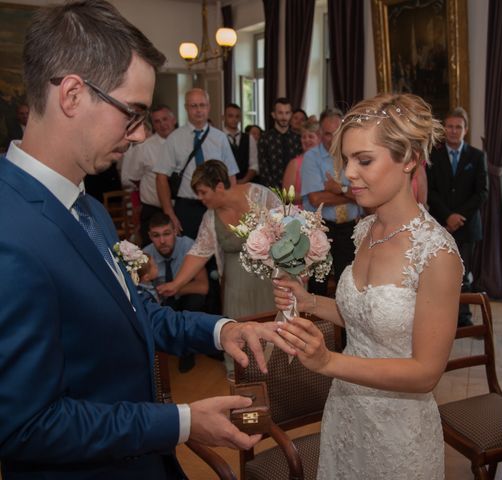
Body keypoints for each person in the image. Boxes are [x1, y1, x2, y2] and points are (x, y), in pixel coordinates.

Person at [0, 2, 294, 479]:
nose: (139, 135)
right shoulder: (8, 231)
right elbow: (28, 424)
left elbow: (136, 313)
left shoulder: (87, 206)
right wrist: (181, 422)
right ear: (72, 95)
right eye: (131, 113)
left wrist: (222, 330)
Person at [273, 93, 463, 479]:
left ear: (409, 158)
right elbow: (361, 314)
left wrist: (329, 362)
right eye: (346, 160)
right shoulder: (365, 230)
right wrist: (308, 301)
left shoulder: (436, 253)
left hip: (399, 429)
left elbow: (426, 372)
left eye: (364, 161)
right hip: (346, 411)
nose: (348, 176)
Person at [157, 160, 280, 320]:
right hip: (236, 289)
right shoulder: (210, 217)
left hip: (271, 282)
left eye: (203, 192)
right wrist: (176, 284)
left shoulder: (261, 196)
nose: (200, 198)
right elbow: (198, 253)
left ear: (220, 186)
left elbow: (287, 230)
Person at [427, 107, 488, 327]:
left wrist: (459, 215)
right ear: (445, 129)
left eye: (458, 127)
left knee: (463, 274)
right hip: (440, 223)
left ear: (466, 130)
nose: (453, 131)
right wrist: (447, 215)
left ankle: (463, 318)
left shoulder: (477, 156)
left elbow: (482, 192)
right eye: (450, 126)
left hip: (467, 225)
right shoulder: (433, 155)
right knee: (438, 273)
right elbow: (430, 191)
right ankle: (440, 317)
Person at [154, 88, 238, 239]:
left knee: (216, 255)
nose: (198, 110)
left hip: (216, 205)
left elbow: (231, 176)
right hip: (187, 208)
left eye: (202, 105)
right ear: (186, 108)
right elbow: (161, 178)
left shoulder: (220, 138)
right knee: (188, 252)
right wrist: (169, 213)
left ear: (209, 107)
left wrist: (231, 208)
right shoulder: (174, 138)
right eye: (193, 106)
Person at [301, 108, 362, 296]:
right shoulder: (312, 157)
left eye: (336, 133)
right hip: (322, 229)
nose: (332, 138)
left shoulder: (354, 155)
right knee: (318, 286)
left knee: (348, 287)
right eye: (327, 134)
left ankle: (346, 327)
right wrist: (350, 193)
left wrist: (338, 188)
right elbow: (316, 199)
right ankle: (317, 326)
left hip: (350, 229)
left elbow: (364, 194)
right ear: (320, 134)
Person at [144, 212, 209, 372]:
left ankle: (188, 351)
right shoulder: (145, 255)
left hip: (186, 296)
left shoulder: (188, 246)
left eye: (167, 233)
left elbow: (203, 287)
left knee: (196, 300)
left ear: (175, 231)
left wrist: (175, 287)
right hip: (162, 301)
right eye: (156, 236)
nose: (162, 241)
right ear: (149, 236)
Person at [121, 104, 177, 245]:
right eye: (157, 121)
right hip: (153, 210)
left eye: (165, 119)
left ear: (173, 120)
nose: (162, 124)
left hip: (180, 208)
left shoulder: (185, 143)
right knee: (151, 254)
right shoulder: (144, 148)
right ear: (153, 124)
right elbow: (132, 178)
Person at [257, 97, 302, 188]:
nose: (284, 117)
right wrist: (277, 193)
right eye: (280, 113)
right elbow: (264, 170)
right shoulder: (265, 139)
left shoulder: (298, 139)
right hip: (271, 192)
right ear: (273, 115)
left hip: (295, 192)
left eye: (287, 113)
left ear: (291, 114)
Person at [282, 117, 321, 206]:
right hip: (301, 215)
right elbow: (287, 194)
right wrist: (311, 197)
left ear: (319, 139)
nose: (306, 140)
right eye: (304, 137)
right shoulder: (295, 164)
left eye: (310, 136)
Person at [222, 103, 259, 184]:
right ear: (223, 117)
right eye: (230, 116)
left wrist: (244, 180)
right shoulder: (217, 138)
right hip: (223, 184)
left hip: (245, 183)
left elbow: (254, 165)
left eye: (237, 116)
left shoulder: (249, 138)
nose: (234, 119)